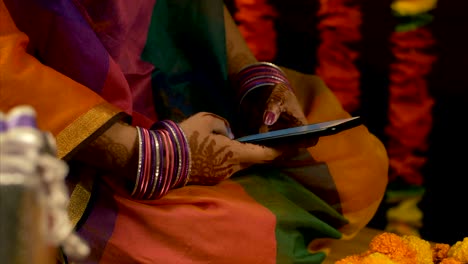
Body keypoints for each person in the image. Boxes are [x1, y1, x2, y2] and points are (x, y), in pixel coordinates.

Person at [0, 0, 389, 263]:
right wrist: (153, 157)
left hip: (177, 101)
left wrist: (250, 79)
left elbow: (193, 8)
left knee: (354, 161)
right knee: (236, 234)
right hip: (65, 145)